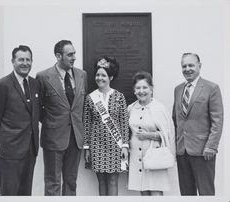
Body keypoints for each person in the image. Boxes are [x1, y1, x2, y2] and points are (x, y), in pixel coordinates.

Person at [0, 45, 40, 195]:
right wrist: (2, 144)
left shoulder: (35, 84)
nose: (25, 63)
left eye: (28, 60)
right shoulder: (2, 85)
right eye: (21, 59)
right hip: (10, 151)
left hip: (31, 149)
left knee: (25, 193)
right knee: (9, 193)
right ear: (12, 61)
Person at [36, 40, 87, 196]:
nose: (74, 57)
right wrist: (53, 124)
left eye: (74, 53)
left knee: (71, 181)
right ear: (58, 56)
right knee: (53, 182)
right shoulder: (43, 76)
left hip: (76, 137)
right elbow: (38, 109)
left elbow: (81, 107)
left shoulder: (82, 75)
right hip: (53, 138)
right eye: (70, 54)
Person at [172, 53, 224, 195]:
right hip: (182, 151)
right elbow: (175, 119)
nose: (187, 69)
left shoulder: (211, 88)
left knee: (206, 192)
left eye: (191, 65)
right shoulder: (177, 90)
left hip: (203, 151)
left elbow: (217, 121)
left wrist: (211, 146)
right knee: (186, 193)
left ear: (199, 66)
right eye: (184, 66)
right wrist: (176, 146)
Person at [83, 56, 129, 196]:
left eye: (103, 75)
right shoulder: (90, 98)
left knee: (113, 181)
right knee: (101, 181)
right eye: (97, 75)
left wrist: (125, 146)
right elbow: (86, 124)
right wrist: (87, 148)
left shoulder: (119, 97)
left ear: (111, 77)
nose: (99, 78)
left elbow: (124, 122)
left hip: (115, 145)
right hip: (96, 144)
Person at [127, 71, 175, 196]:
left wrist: (149, 135)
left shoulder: (159, 108)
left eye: (144, 87)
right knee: (143, 191)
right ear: (134, 90)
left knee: (155, 192)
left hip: (155, 156)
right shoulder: (131, 108)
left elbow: (168, 134)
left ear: (151, 89)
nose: (141, 91)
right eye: (138, 88)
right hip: (136, 157)